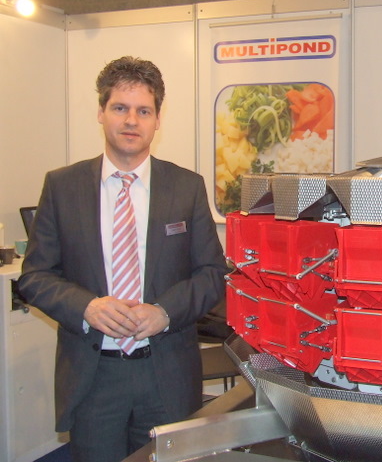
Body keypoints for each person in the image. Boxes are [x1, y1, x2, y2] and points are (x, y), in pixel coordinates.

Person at [19, 56, 228, 462]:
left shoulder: (186, 187)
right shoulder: (62, 186)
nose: (132, 120)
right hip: (94, 376)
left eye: (143, 111)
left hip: (165, 373)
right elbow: (35, 276)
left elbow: (212, 273)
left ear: (157, 119)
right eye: (120, 108)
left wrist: (164, 312)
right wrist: (88, 306)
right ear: (101, 112)